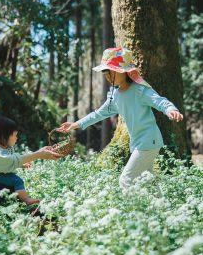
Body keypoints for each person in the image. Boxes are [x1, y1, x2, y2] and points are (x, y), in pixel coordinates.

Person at [58, 47, 184, 187]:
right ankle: (162, 208)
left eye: (111, 72)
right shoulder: (115, 96)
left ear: (124, 71)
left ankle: (131, 209)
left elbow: (160, 101)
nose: (108, 76)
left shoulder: (140, 90)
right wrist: (76, 124)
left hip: (148, 141)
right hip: (137, 143)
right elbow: (98, 113)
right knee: (149, 182)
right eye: (105, 73)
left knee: (125, 180)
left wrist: (171, 110)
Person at [0, 116, 40, 205]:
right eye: (15, 135)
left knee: (14, 180)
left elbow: (11, 161)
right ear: (4, 136)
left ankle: (19, 197)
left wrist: (21, 164)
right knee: (17, 180)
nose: (17, 138)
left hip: (3, 173)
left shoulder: (8, 147)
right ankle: (26, 200)